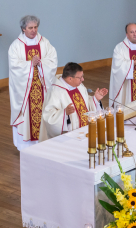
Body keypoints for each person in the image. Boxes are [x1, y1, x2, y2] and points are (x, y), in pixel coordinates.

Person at [8, 15, 58, 150]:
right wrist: (30, 65)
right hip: (25, 89)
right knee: (27, 116)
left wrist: (41, 63)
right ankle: (26, 146)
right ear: (23, 29)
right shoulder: (16, 46)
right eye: (30, 28)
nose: (34, 30)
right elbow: (14, 67)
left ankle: (43, 142)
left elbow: (52, 59)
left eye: (36, 27)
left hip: (42, 85)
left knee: (43, 112)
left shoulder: (44, 43)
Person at [39, 62, 108, 141]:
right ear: (70, 78)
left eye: (83, 76)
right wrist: (64, 113)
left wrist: (95, 99)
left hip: (85, 132)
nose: (83, 79)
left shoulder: (80, 87)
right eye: (80, 77)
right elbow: (49, 117)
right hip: (69, 138)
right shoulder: (55, 91)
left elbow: (85, 105)